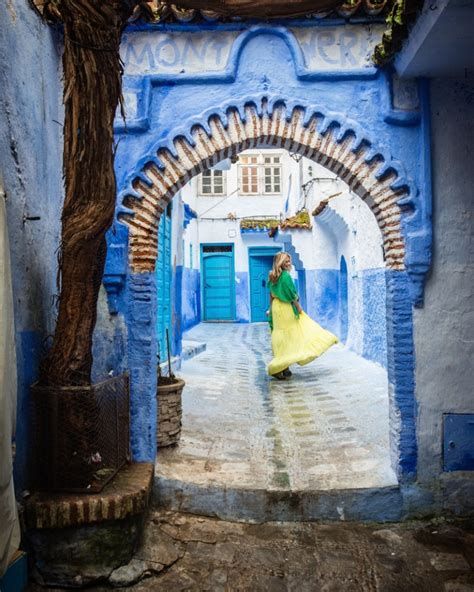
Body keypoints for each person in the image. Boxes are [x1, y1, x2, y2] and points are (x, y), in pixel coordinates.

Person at [267, 252, 338, 379]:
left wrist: (271, 309)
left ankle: (282, 367)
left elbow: (271, 295)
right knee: (291, 336)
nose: (289, 264)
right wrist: (299, 308)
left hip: (276, 307)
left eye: (289, 261)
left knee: (280, 337)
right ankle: (282, 366)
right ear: (281, 263)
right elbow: (292, 295)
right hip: (285, 307)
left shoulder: (272, 276)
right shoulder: (286, 276)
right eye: (286, 261)